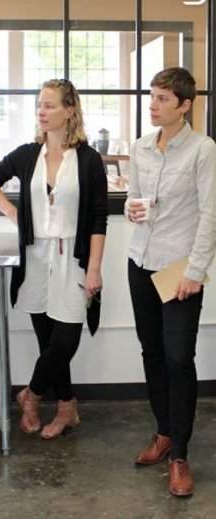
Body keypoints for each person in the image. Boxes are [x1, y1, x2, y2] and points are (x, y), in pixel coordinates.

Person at [0, 79, 108, 440]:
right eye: (40, 104)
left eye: (50, 105)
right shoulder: (27, 154)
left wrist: (94, 267)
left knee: (65, 341)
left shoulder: (87, 159)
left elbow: (99, 216)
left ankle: (30, 396)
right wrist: (13, 214)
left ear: (70, 111)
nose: (41, 111)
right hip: (35, 259)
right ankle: (67, 408)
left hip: (74, 259)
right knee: (49, 343)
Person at [126, 67, 216, 497]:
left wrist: (196, 272)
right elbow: (134, 196)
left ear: (185, 105)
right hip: (140, 261)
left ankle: (179, 452)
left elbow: (210, 215)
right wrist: (131, 208)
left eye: (163, 99)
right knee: (153, 352)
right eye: (152, 97)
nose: (153, 105)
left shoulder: (203, 149)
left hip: (179, 267)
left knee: (180, 358)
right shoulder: (142, 146)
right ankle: (163, 432)